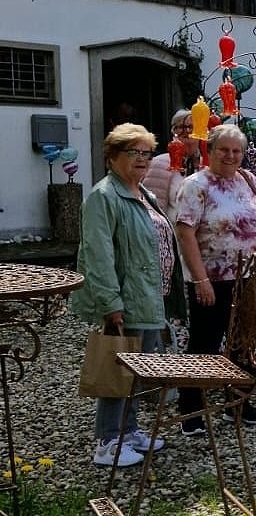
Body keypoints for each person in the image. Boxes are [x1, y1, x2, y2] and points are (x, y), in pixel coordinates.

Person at [74, 124, 186, 466]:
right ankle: (108, 441)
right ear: (112, 157)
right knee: (118, 369)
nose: (141, 160)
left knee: (139, 370)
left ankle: (130, 429)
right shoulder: (104, 196)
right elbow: (98, 253)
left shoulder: (142, 192)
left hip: (150, 297)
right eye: (133, 153)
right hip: (126, 300)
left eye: (146, 153)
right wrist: (110, 303)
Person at [175, 124, 256, 432]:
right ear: (209, 151)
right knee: (206, 342)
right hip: (214, 278)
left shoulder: (247, 179)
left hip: (253, 276)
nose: (230, 156)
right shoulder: (195, 185)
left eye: (236, 151)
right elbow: (185, 231)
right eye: (223, 150)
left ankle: (238, 403)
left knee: (244, 342)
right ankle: (191, 410)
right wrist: (200, 280)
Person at [143, 108, 200, 223]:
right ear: (173, 131)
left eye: (191, 127)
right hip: (172, 235)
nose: (186, 131)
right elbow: (151, 211)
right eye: (179, 127)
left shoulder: (207, 164)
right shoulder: (158, 164)